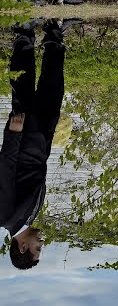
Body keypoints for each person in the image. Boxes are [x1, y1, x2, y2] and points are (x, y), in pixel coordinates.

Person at [0, 18, 66, 269]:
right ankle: (54, 34)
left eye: (37, 248)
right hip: (40, 143)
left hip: (25, 138)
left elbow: (5, 170)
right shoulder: (28, 217)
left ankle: (24, 32)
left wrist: (14, 135)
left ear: (22, 247)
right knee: (53, 89)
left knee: (24, 85)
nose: (41, 243)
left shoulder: (5, 216)